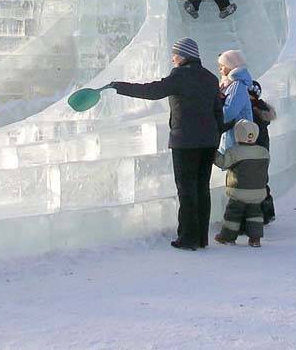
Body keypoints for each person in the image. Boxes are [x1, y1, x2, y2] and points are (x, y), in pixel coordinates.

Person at [109, 38, 223, 251]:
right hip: (208, 141)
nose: (172, 58)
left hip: (185, 141)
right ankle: (200, 238)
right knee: (201, 188)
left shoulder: (179, 76)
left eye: (175, 54)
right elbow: (218, 110)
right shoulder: (210, 78)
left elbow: (152, 91)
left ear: (184, 55)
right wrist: (216, 134)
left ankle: (187, 238)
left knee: (186, 189)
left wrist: (120, 87)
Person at [213, 119, 269, 248]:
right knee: (255, 214)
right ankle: (255, 239)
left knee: (233, 214)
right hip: (258, 191)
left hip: (239, 191)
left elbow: (223, 163)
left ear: (238, 135)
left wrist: (214, 153)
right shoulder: (264, 152)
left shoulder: (234, 152)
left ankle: (227, 237)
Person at [248, 80, 277, 224]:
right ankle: (268, 212)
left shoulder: (252, 110)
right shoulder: (262, 109)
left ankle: (261, 214)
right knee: (262, 181)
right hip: (264, 150)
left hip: (255, 149)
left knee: (256, 183)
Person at [217, 49, 253, 153]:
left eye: (222, 65)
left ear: (231, 65)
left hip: (237, 140)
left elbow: (228, 114)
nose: (220, 68)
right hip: (233, 138)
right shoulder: (229, 85)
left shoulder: (237, 86)